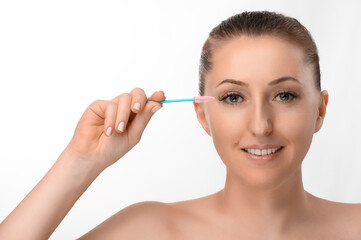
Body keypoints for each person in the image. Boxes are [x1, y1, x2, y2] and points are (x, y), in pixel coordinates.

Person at [0, 10, 360, 239]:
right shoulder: (150, 230)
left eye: (284, 95)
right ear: (203, 115)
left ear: (320, 110)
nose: (261, 125)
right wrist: (80, 162)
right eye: (233, 98)